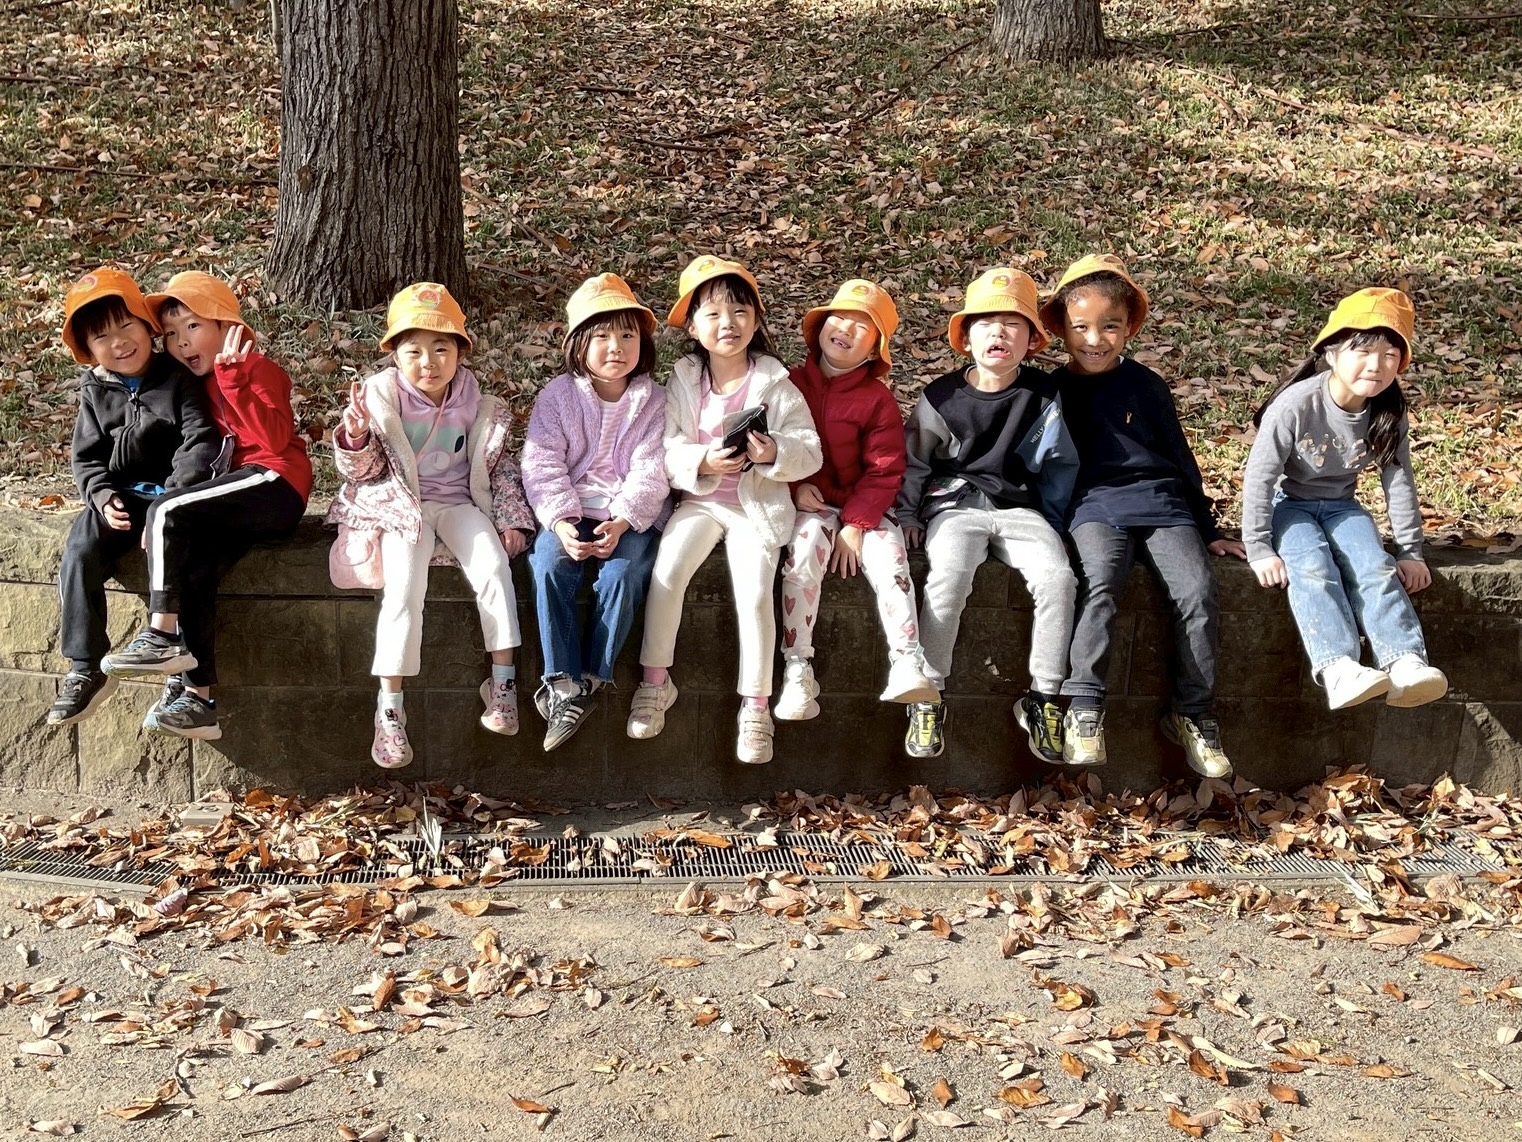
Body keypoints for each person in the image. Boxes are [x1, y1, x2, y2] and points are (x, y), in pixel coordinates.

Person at [1042, 255, 1246, 776]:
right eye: (1081, 327)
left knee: (1197, 590)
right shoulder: (1050, 392)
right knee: (1100, 581)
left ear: (1129, 327)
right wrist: (1050, 524)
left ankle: (1193, 713)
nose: (1095, 339)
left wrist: (1207, 528)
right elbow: (1042, 467)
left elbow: (1180, 458)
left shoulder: (1147, 386)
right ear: (1061, 327)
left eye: (1110, 326)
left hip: (1162, 503)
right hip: (1093, 504)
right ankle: (1084, 706)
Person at [96, 272, 311, 740]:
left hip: (276, 482)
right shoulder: (194, 384)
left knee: (166, 510)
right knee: (194, 573)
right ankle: (198, 699)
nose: (181, 342)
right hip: (237, 494)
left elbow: (275, 439)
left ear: (226, 326)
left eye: (193, 326)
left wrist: (234, 379)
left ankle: (160, 636)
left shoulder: (257, 368)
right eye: (172, 333)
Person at [327, 283, 534, 768]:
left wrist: (512, 519)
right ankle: (390, 710)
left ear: (460, 351)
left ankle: (502, 685)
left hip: (461, 502)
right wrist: (356, 437)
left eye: (441, 348)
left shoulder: (477, 401)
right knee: (403, 590)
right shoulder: (380, 399)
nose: (429, 362)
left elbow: (500, 467)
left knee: (493, 567)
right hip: (405, 509)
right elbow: (363, 472)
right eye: (414, 351)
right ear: (395, 355)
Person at [627, 255, 821, 765]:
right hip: (699, 503)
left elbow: (810, 449)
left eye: (739, 312)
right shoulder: (684, 380)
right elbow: (667, 449)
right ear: (693, 327)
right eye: (712, 314)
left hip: (756, 508)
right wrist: (703, 460)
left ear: (756, 321)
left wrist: (774, 451)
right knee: (667, 572)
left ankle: (755, 707)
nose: (727, 323)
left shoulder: (776, 383)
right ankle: (655, 681)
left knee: (755, 593)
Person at [896, 268, 1078, 763]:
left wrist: (1057, 523)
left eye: (1013, 325)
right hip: (955, 507)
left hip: (1022, 510)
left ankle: (1043, 696)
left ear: (1032, 340)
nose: (999, 333)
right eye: (986, 324)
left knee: (1058, 580)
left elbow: (1059, 462)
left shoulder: (1043, 396)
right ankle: (928, 693)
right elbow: (915, 461)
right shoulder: (941, 397)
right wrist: (909, 514)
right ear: (966, 338)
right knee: (948, 576)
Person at [1244, 287, 1447, 710]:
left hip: (1342, 507)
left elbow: (1399, 482)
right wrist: (1259, 548)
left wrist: (1410, 551)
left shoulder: (1388, 413)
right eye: (1363, 351)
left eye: (1390, 355)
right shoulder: (1296, 405)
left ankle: (1404, 661)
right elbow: (1260, 477)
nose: (1376, 365)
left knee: (1375, 565)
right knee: (1312, 567)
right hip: (1290, 506)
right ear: (1332, 353)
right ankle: (1339, 668)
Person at [46, 268, 219, 727]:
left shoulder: (176, 378)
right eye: (102, 337)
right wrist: (102, 496)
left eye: (127, 326)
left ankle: (179, 667)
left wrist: (170, 503)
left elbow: (199, 441)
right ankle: (85, 667)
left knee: (189, 565)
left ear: (147, 326)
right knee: (80, 550)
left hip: (174, 501)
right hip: (120, 499)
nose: (119, 342)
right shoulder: (95, 389)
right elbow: (86, 458)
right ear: (89, 350)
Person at [776, 278, 936, 722]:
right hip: (809, 504)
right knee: (803, 553)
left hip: (865, 507)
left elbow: (886, 468)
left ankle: (907, 659)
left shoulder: (876, 399)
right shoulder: (789, 384)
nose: (845, 328)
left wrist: (856, 523)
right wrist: (793, 487)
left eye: (861, 326)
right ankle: (798, 666)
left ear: (873, 351)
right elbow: (774, 445)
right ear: (819, 328)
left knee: (891, 559)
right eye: (839, 318)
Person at [521, 274, 669, 752]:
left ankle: (591, 677)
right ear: (579, 344)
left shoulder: (655, 401)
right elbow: (542, 462)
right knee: (548, 564)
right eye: (602, 336)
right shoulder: (558, 397)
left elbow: (653, 469)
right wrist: (561, 521)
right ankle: (562, 682)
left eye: (628, 335)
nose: (616, 347)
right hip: (570, 508)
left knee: (624, 574)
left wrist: (624, 519)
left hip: (629, 515)